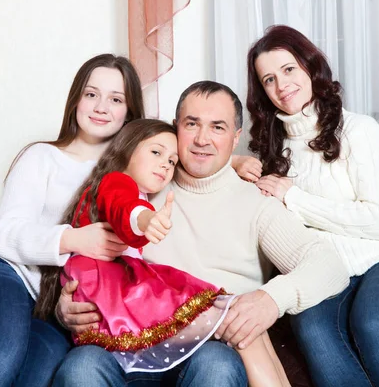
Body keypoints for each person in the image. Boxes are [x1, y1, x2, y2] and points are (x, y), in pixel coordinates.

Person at [52, 80, 351, 387]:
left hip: (209, 348)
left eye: (217, 128)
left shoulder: (256, 204)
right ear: (175, 128)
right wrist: (66, 309)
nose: (201, 139)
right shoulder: (146, 183)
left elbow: (329, 266)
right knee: (81, 366)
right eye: (192, 124)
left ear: (235, 139)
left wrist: (270, 300)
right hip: (125, 343)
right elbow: (101, 233)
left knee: (215, 365)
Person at [240, 24, 379, 387]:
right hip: (328, 273)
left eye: (288, 70)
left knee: (372, 322)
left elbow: (378, 221)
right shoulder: (270, 153)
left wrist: (293, 197)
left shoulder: (359, 130)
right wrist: (238, 166)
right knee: (312, 326)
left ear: (309, 67)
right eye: (268, 79)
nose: (281, 85)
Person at [0, 53, 145, 386]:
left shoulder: (133, 183)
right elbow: (4, 234)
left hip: (47, 307)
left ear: (129, 113)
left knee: (39, 372)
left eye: (116, 99)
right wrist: (74, 239)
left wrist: (235, 166)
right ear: (76, 100)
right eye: (91, 94)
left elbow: (182, 155)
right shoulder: (43, 156)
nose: (101, 106)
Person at [37, 119, 289, 386]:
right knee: (234, 319)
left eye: (172, 161)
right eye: (156, 153)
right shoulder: (116, 182)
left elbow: (194, 152)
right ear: (127, 148)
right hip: (116, 292)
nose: (165, 165)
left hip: (116, 293)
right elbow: (124, 208)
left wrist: (234, 162)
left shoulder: (133, 184)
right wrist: (145, 220)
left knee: (245, 324)